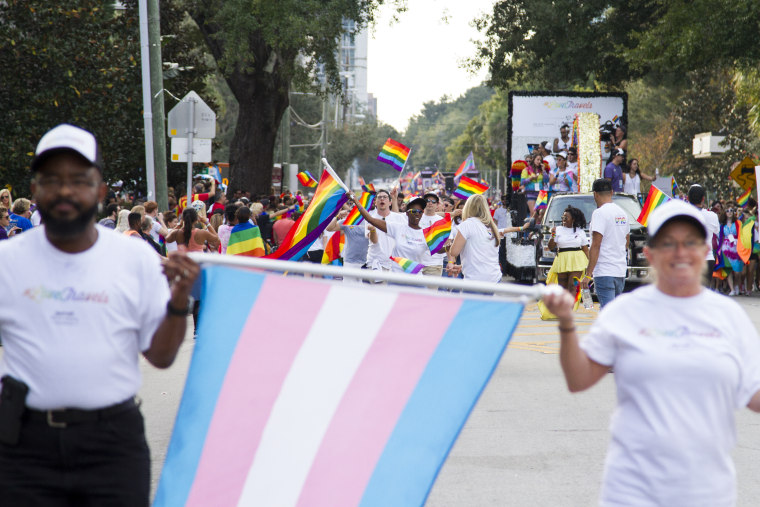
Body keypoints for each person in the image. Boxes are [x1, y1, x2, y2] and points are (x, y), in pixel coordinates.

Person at [0, 123, 199, 505]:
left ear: (101, 191)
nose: (64, 190)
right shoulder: (9, 261)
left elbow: (160, 356)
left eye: (78, 179)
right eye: (51, 179)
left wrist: (178, 302)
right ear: (35, 191)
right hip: (24, 449)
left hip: (112, 446)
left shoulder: (135, 258)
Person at [542, 199, 760, 506]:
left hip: (708, 491)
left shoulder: (729, 317)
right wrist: (566, 323)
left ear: (704, 250)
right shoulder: (624, 312)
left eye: (691, 242)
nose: (681, 252)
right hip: (633, 490)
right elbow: (578, 379)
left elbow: (754, 396)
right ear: (649, 254)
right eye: (668, 243)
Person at [583, 178, 630, 308]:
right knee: (615, 312)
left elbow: (596, 245)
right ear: (612, 192)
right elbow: (626, 242)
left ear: (595, 194)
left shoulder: (599, 213)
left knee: (607, 313)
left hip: (604, 271)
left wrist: (588, 274)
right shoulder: (623, 214)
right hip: (620, 271)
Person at [352, 194, 429, 272]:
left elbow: (440, 250)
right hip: (396, 279)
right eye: (414, 211)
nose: (417, 213)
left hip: (416, 279)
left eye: (420, 211)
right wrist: (356, 201)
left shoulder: (426, 234)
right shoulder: (398, 228)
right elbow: (370, 219)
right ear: (407, 213)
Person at [446, 195, 503, 283]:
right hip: (494, 277)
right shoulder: (491, 226)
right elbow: (483, 254)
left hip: (475, 279)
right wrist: (462, 266)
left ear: (468, 208)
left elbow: (454, 252)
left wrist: (448, 244)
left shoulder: (467, 224)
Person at [547, 206, 589, 294]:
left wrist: (590, 266)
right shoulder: (557, 229)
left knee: (573, 286)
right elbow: (550, 247)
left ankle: (571, 307)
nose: (563, 219)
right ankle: (563, 306)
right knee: (562, 288)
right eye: (563, 217)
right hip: (562, 260)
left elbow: (585, 250)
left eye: (566, 217)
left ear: (573, 219)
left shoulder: (580, 231)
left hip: (577, 261)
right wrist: (553, 235)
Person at [688, 184, 721, 286]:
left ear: (688, 198)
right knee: (703, 293)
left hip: (688, 259)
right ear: (703, 198)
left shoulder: (682, 214)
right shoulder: (712, 215)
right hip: (707, 258)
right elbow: (717, 231)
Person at [715, 206, 745, 296]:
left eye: (731, 210)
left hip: (736, 248)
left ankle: (736, 286)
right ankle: (732, 289)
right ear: (725, 213)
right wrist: (719, 249)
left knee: (737, 271)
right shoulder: (722, 225)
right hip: (726, 248)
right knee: (728, 269)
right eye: (727, 210)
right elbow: (721, 238)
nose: (729, 212)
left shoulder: (737, 223)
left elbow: (742, 235)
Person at [419, 192, 446, 276]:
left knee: (432, 289)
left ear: (437, 204)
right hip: (416, 262)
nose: (430, 203)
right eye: (427, 200)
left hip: (434, 264)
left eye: (433, 201)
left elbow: (447, 242)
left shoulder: (442, 221)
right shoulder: (416, 217)